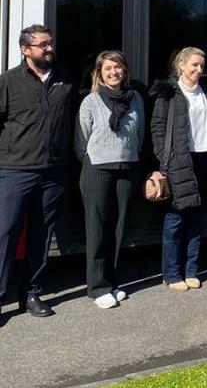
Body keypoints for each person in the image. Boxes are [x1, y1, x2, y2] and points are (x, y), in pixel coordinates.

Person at [0, 24, 75, 317]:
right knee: (5, 235)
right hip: (15, 171)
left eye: (50, 43)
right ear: (25, 50)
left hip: (54, 172)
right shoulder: (8, 82)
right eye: (43, 45)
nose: (49, 48)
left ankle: (31, 294)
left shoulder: (65, 79)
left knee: (42, 236)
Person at [150, 47, 207, 291]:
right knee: (175, 220)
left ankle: (192, 270)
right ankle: (171, 274)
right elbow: (157, 127)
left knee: (196, 219)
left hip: (205, 160)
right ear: (181, 65)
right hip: (179, 161)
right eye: (193, 65)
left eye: (201, 65)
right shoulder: (169, 92)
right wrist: (165, 157)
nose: (198, 70)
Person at [75, 51, 143, 308]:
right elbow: (81, 141)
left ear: (125, 71)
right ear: (99, 73)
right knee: (97, 227)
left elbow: (140, 134)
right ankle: (97, 287)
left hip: (127, 167)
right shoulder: (91, 101)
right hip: (97, 169)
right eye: (108, 69)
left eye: (118, 68)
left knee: (119, 226)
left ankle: (113, 282)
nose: (114, 72)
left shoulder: (135, 98)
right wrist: (95, 158)